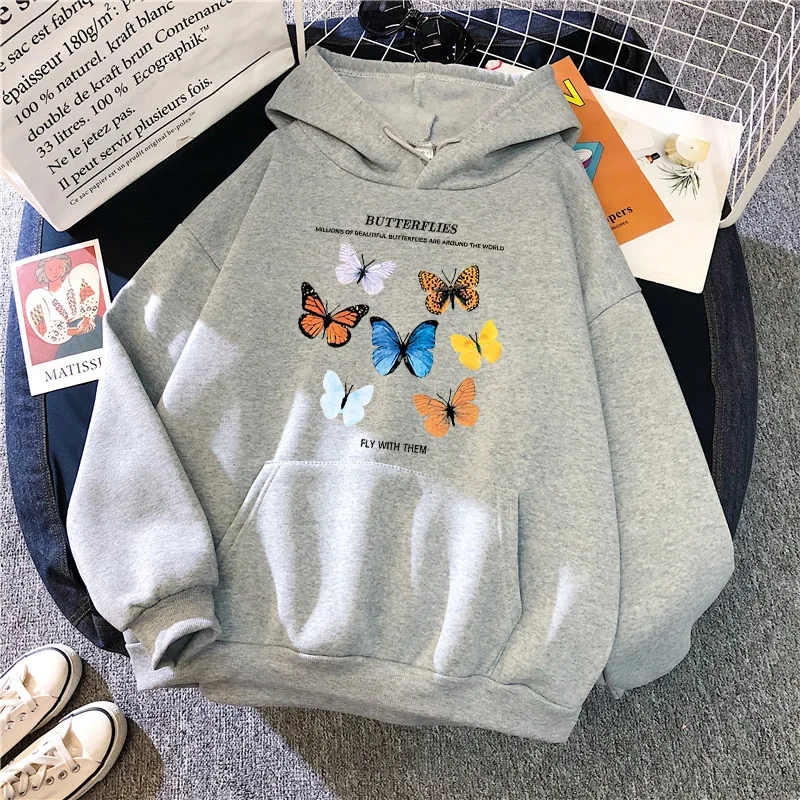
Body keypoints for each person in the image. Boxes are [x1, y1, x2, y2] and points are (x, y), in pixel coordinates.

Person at [25, 254, 102, 359]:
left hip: (91, 326)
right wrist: (75, 331)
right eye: (50, 269)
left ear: (64, 267)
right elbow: (44, 329)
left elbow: (89, 295)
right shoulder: (38, 296)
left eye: (59, 267)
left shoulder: (75, 279)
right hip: (69, 337)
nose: (55, 272)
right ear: (43, 271)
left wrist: (87, 319)